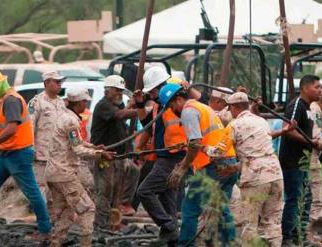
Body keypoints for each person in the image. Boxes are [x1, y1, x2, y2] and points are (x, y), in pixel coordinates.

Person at [0, 67, 51, 240]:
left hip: (18, 154)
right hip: (5, 154)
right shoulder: (4, 99)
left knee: (32, 192)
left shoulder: (11, 100)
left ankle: (45, 230)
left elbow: (12, 128)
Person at [210, 92, 295, 246]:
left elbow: (218, 152)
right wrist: (235, 167)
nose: (229, 112)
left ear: (234, 107)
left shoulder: (234, 125)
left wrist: (202, 148)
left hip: (255, 179)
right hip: (275, 174)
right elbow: (258, 150)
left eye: (229, 108)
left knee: (250, 223)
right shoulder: (261, 121)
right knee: (273, 222)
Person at [161, 83, 238, 246]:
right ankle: (229, 243)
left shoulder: (188, 111)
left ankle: (185, 245)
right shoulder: (202, 107)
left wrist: (182, 167)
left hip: (212, 167)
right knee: (220, 210)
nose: (172, 109)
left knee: (190, 209)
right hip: (228, 162)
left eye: (171, 105)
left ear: (179, 99)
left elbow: (195, 143)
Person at [45, 88, 114, 246]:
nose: (86, 104)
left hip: (52, 173)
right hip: (64, 173)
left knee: (66, 213)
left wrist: (96, 148)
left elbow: (77, 142)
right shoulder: (71, 121)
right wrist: (99, 155)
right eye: (85, 101)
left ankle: (55, 243)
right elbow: (78, 149)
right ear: (80, 103)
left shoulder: (63, 116)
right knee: (87, 209)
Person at [134, 67, 187, 245]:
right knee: (167, 199)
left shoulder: (175, 103)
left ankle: (169, 226)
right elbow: (148, 125)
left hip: (173, 157)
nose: (153, 95)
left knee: (144, 191)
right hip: (165, 157)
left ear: (162, 86)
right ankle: (171, 238)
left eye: (154, 91)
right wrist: (140, 104)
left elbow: (197, 99)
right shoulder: (160, 106)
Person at [90, 75, 137, 236]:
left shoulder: (117, 104)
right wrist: (140, 110)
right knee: (105, 190)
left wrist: (134, 104)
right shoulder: (104, 105)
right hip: (104, 154)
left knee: (121, 186)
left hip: (117, 156)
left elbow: (122, 119)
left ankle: (114, 221)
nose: (119, 94)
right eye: (116, 90)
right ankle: (101, 226)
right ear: (107, 90)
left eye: (121, 91)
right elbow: (121, 115)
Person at [279, 74, 322, 245]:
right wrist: (309, 142)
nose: (319, 90)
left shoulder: (308, 107)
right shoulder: (297, 104)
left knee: (306, 199)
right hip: (292, 162)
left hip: (304, 162)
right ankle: (287, 237)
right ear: (305, 88)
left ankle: (300, 235)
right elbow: (288, 130)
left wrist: (316, 143)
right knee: (294, 199)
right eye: (316, 87)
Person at [28, 70, 66, 203]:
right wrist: (31, 149)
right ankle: (40, 216)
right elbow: (30, 126)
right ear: (47, 83)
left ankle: (54, 216)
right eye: (57, 82)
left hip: (58, 154)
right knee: (41, 186)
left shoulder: (61, 102)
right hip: (42, 153)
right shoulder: (36, 102)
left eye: (60, 82)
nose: (60, 84)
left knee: (57, 186)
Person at [308, 87, 322, 243]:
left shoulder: (317, 110)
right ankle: (308, 235)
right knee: (316, 198)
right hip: (309, 160)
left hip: (309, 159)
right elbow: (316, 139)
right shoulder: (316, 112)